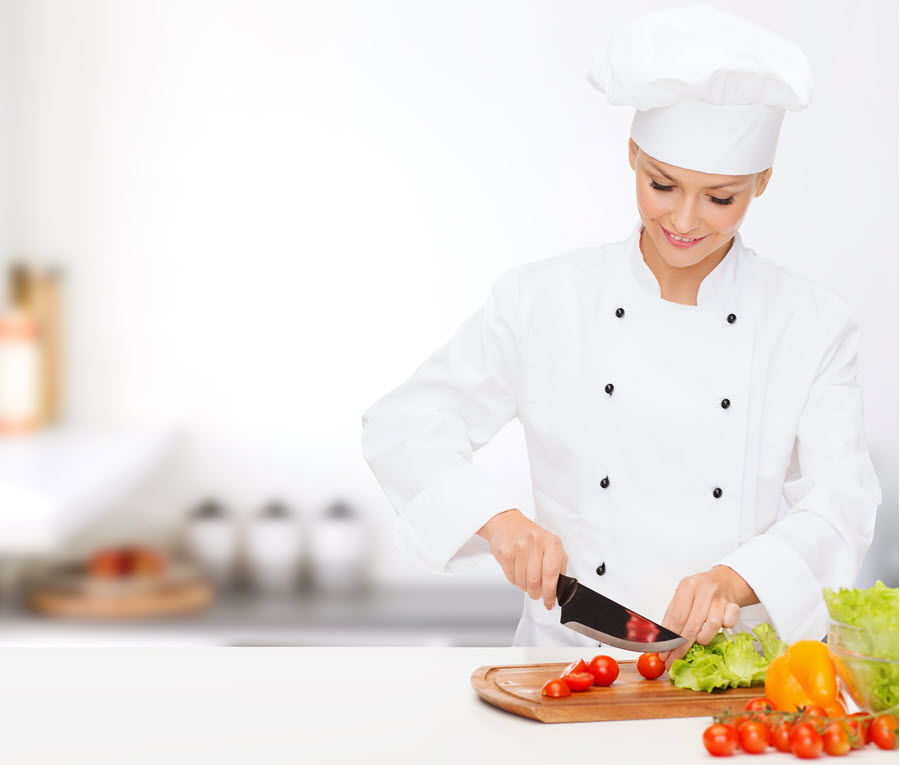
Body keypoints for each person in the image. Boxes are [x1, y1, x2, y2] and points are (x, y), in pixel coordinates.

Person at [360, 6, 880, 662]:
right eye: (662, 184)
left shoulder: (811, 325)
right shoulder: (542, 301)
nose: (685, 219)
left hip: (726, 677)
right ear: (632, 154)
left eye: (721, 197)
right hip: (566, 666)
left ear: (762, 182)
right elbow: (403, 424)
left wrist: (737, 578)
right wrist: (500, 523)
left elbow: (843, 500)